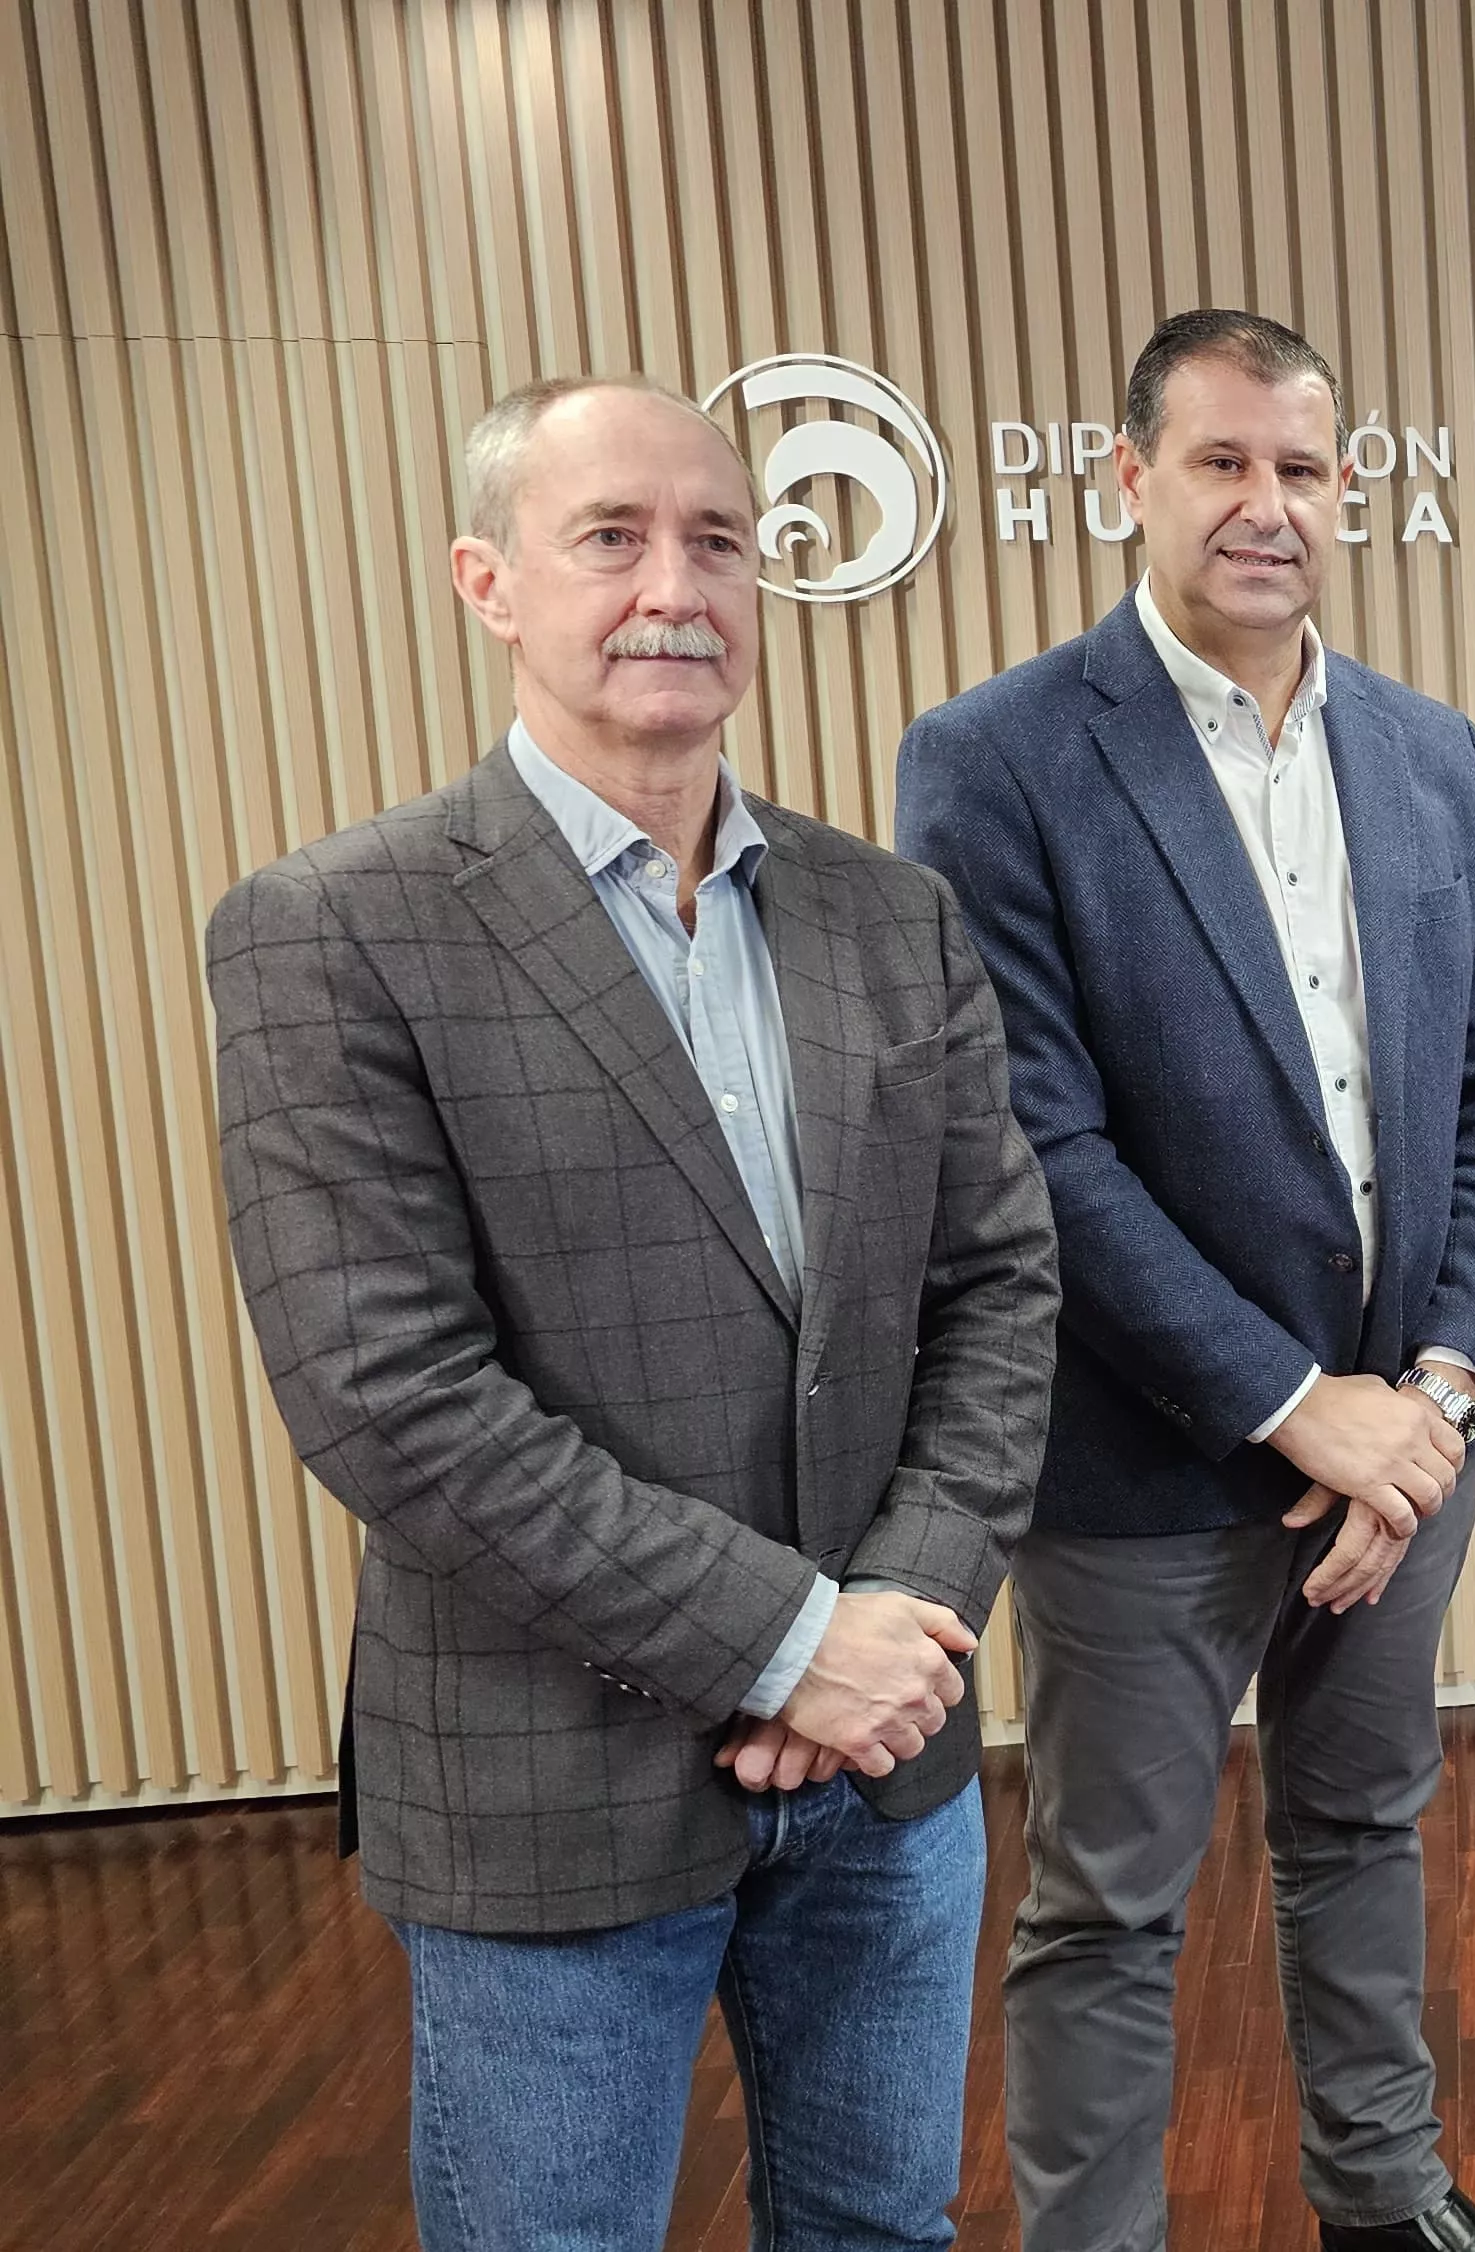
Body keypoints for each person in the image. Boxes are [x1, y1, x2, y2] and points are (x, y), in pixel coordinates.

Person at [202, 375, 1061, 2252]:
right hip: (549, 1785)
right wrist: (781, 1643)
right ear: (488, 582)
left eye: (719, 540)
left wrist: (893, 1625)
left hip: (884, 1773)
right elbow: (389, 1397)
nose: (675, 583)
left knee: (882, 2232)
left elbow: (1000, 1285)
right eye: (613, 537)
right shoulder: (333, 930)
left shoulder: (889, 916)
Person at [897, 311, 1475, 2252]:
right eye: (1221, 462)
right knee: (1107, 1899)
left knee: (1363, 1833)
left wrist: (1430, 1400)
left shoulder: (1430, 755)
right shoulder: (998, 757)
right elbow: (1033, 1146)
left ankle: (1380, 2197)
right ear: (1128, 478)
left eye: (1302, 468)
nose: (1268, 505)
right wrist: (1295, 1403)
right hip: (1142, 1470)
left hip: (1399, 1456)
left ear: (1348, 490)